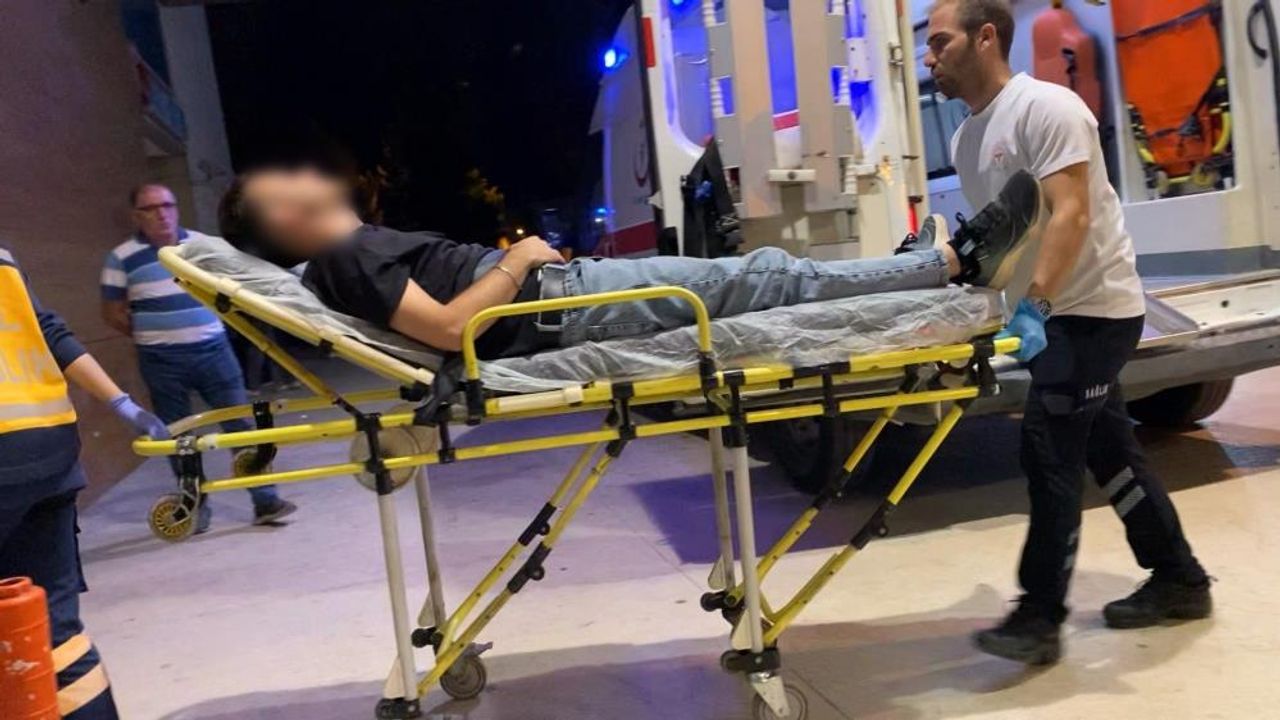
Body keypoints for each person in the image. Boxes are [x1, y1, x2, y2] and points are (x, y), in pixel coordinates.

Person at [923, 0, 1211, 665]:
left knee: (1048, 447)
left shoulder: (1047, 108)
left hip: (1092, 311)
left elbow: (1071, 214)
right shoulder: (966, 139)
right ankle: (1179, 578)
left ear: (985, 37)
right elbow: (1006, 237)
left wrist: (1036, 306)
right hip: (1049, 315)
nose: (930, 58)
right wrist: (960, 294)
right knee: (1109, 449)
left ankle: (1039, 616)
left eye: (940, 42)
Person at [215, 165, 1044, 359]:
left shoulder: (349, 253)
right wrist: (519, 259)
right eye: (281, 183)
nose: (303, 176)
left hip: (562, 299)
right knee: (767, 278)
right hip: (561, 302)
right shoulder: (347, 256)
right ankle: (952, 261)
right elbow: (444, 328)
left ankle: (918, 269)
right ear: (284, 218)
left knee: (765, 279)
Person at [1, 244, 171, 718]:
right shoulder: (3, 256)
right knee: (57, 631)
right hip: (46, 447)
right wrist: (121, 403)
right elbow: (50, 333)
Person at [100, 184, 296, 530]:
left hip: (214, 353)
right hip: (161, 362)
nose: (161, 214)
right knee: (179, 438)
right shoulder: (121, 257)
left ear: (176, 208)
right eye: (150, 208)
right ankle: (195, 508)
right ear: (136, 216)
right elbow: (113, 312)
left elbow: (232, 287)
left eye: (167, 205)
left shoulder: (201, 245)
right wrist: (154, 333)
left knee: (240, 427)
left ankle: (266, 500)